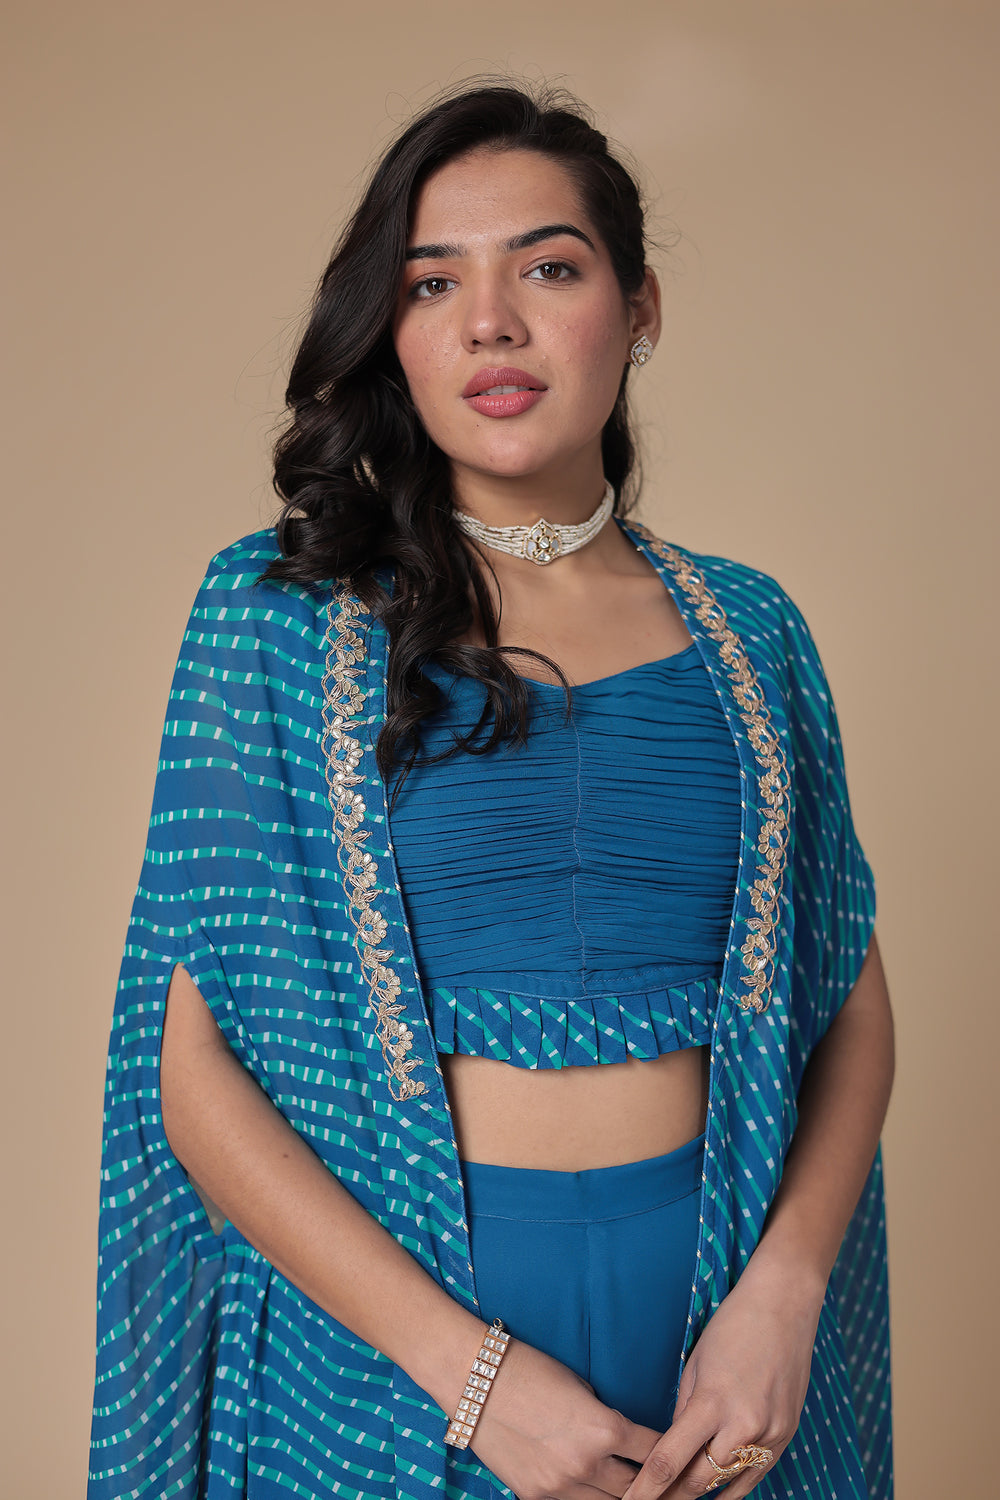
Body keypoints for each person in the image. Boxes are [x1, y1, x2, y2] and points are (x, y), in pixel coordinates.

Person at [88, 79, 895, 1500]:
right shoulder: (279, 619)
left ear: (639, 310)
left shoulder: (752, 632)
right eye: (432, 282)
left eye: (550, 268)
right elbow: (196, 1078)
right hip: (392, 1352)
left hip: (716, 1343)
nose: (491, 323)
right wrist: (473, 1378)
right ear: (390, 334)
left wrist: (785, 1295)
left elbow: (847, 1003)